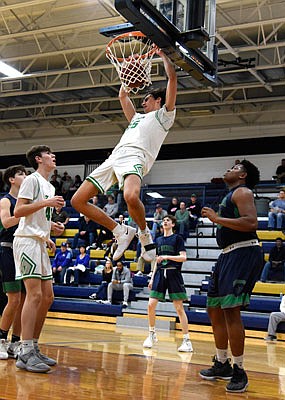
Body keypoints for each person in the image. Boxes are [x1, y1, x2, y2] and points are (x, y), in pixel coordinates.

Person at [71, 49, 177, 263]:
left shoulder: (164, 116)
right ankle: (120, 231)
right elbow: (122, 95)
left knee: (130, 196)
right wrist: (128, 77)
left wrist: (163, 55)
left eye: (146, 99)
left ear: (157, 100)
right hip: (115, 157)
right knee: (77, 201)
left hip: (136, 157)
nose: (143, 102)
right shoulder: (137, 118)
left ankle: (145, 234)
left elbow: (172, 78)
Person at [199, 160, 263, 393]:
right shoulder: (231, 194)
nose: (229, 169)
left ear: (243, 175)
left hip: (243, 251)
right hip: (227, 255)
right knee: (214, 309)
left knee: (230, 310)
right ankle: (222, 362)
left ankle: (239, 370)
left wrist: (216, 220)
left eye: (235, 167)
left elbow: (251, 222)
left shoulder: (243, 191)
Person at [13, 145, 65, 373]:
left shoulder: (50, 185)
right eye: (48, 154)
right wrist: (47, 203)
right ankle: (24, 351)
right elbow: (18, 211)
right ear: (38, 159)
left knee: (47, 297)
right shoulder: (32, 180)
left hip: (39, 241)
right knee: (33, 295)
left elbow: (36, 216)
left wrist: (50, 229)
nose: (53, 156)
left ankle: (33, 345)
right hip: (26, 241)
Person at [143, 215, 193, 353]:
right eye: (164, 220)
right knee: (150, 304)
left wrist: (167, 257)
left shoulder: (177, 238)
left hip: (173, 274)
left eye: (168, 220)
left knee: (179, 308)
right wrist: (152, 278)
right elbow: (156, 261)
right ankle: (152, 334)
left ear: (173, 224)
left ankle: (187, 341)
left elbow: (183, 257)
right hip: (159, 274)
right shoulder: (158, 240)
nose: (165, 222)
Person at [0, 165, 26, 360]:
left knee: (24, 300)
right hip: (7, 249)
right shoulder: (5, 201)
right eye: (21, 174)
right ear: (11, 179)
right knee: (14, 299)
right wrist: (27, 212)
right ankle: (1, 339)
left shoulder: (26, 202)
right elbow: (7, 222)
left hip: (24, 249)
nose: (25, 176)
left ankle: (15, 342)